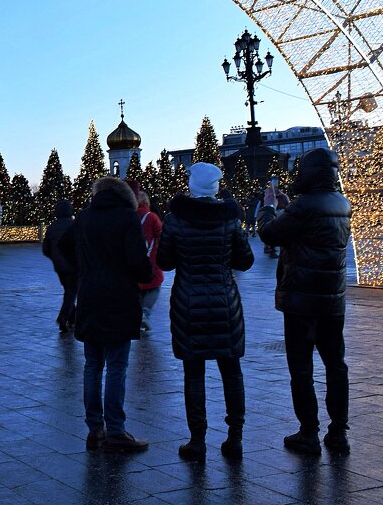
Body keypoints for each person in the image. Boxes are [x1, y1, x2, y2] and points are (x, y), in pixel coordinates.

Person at [158, 163, 254, 462]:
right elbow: (246, 261)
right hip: (226, 302)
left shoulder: (175, 219)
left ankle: (197, 440)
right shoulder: (229, 219)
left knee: (194, 373)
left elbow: (164, 262)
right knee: (231, 371)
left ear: (192, 185)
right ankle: (235, 438)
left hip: (188, 303)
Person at [259, 148, 351, 456]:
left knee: (301, 368)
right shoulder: (341, 203)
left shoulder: (305, 205)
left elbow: (269, 234)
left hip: (301, 298)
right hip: (333, 297)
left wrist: (269, 208)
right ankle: (338, 432)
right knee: (335, 364)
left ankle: (308, 432)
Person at [58, 176, 153, 453]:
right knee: (117, 366)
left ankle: (94, 429)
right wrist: (143, 274)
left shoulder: (86, 216)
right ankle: (116, 430)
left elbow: (64, 245)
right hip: (119, 297)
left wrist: (84, 268)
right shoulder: (127, 217)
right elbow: (138, 261)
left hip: (89, 296)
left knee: (92, 365)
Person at [132, 185, 164, 332]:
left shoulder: (130, 215)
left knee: (138, 287)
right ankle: (144, 313)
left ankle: (138, 314)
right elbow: (161, 234)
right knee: (155, 286)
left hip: (134, 258)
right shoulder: (151, 217)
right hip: (151, 257)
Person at [42, 199, 77, 332]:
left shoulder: (52, 227)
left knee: (68, 291)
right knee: (71, 291)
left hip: (59, 266)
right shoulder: (74, 225)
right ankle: (63, 318)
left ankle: (72, 318)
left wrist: (54, 257)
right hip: (73, 264)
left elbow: (45, 249)